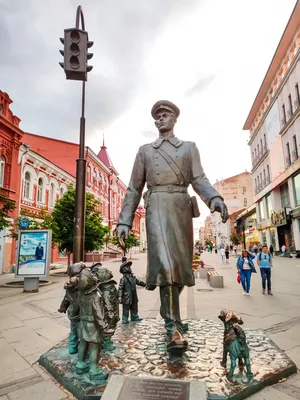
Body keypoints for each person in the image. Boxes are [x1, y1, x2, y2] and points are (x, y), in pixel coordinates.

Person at [116, 100, 228, 348]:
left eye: (165, 115)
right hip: (156, 208)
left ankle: (173, 315)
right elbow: (134, 188)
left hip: (180, 209)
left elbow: (199, 179)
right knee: (166, 266)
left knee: (179, 268)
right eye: (157, 116)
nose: (160, 119)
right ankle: (172, 326)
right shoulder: (145, 151)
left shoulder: (189, 148)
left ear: (174, 119)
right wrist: (124, 220)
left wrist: (214, 198)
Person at [118, 259, 146, 324]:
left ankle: (134, 317)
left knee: (134, 307)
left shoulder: (133, 277)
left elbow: (139, 282)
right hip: (126, 297)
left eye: (129, 266)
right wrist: (119, 297)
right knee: (126, 308)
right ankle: (125, 319)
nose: (129, 268)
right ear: (123, 269)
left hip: (133, 295)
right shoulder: (123, 279)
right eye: (127, 267)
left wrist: (145, 284)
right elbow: (120, 289)